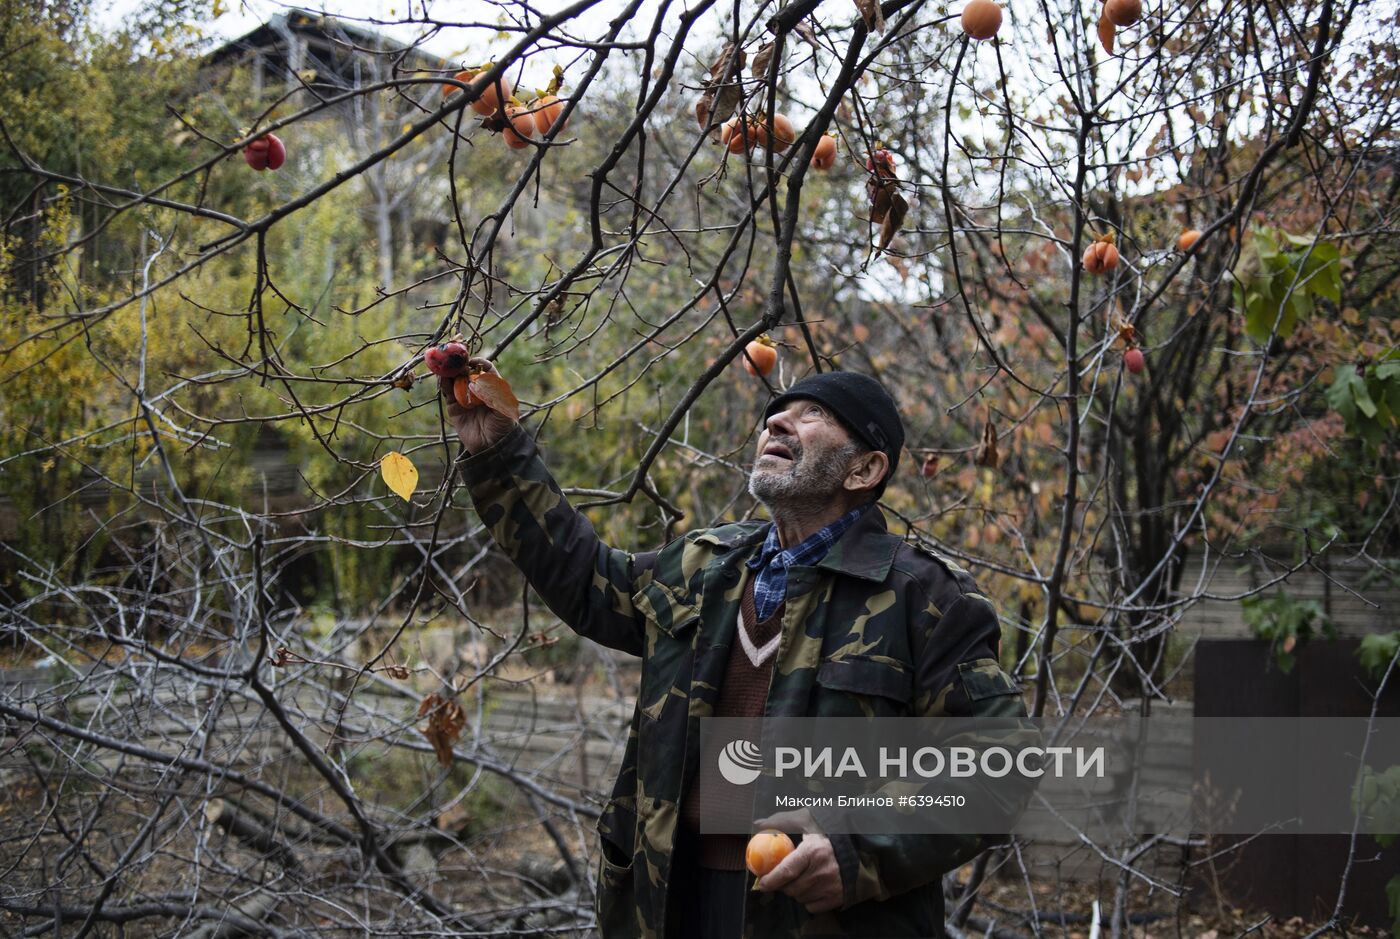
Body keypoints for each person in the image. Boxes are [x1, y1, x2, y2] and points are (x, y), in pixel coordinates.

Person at [442, 362, 1033, 939]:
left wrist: (858, 847)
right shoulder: (703, 565)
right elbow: (585, 580)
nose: (775, 422)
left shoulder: (924, 596)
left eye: (813, 414)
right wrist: (499, 452)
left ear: (864, 469)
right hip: (670, 902)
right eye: (775, 413)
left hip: (822, 917)